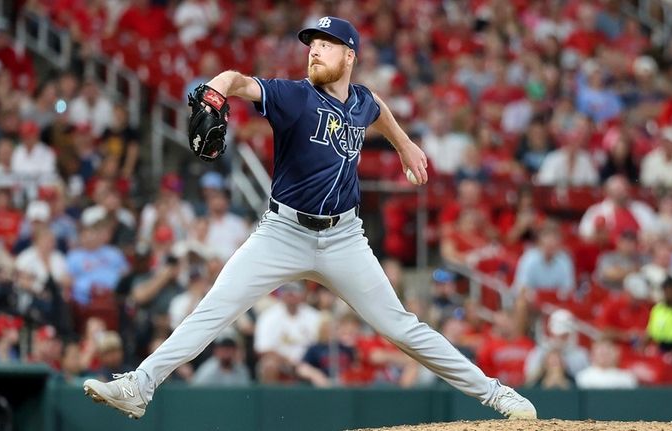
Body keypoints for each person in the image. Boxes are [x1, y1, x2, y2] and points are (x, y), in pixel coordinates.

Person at [83, 16, 536, 420]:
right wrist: (218, 89)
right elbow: (240, 81)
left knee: (402, 328)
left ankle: (500, 397)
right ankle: (138, 386)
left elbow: (375, 106)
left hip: (345, 239)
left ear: (349, 55)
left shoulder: (359, 100)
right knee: (214, 308)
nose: (314, 50)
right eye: (311, 43)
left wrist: (404, 144)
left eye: (325, 43)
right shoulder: (293, 97)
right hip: (283, 232)